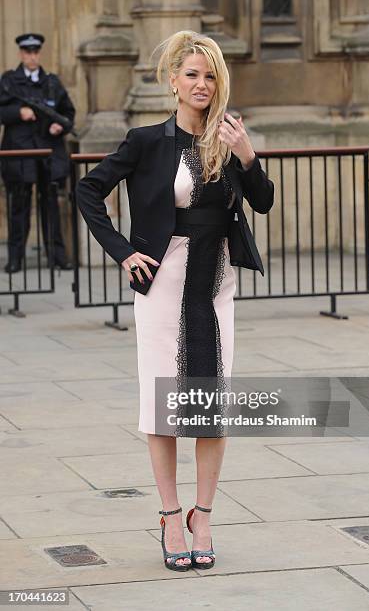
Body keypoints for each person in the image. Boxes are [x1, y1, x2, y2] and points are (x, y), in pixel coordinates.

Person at [75, 30, 274, 571]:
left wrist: (247, 154)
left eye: (210, 76)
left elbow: (263, 201)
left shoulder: (228, 137)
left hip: (216, 283)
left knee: (213, 404)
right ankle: (168, 515)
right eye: (192, 74)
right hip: (164, 281)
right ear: (173, 82)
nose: (202, 84)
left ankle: (202, 514)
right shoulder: (147, 140)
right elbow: (88, 190)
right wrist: (121, 251)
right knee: (163, 403)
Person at [0, 33, 75, 273]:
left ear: (39, 53)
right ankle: (15, 259)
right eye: (27, 52)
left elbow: (68, 114)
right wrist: (17, 113)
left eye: (35, 52)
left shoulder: (52, 82)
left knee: (51, 204)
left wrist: (59, 126)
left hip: (48, 152)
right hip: (20, 153)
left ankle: (57, 257)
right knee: (18, 207)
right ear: (21, 54)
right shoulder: (9, 82)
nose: (31, 56)